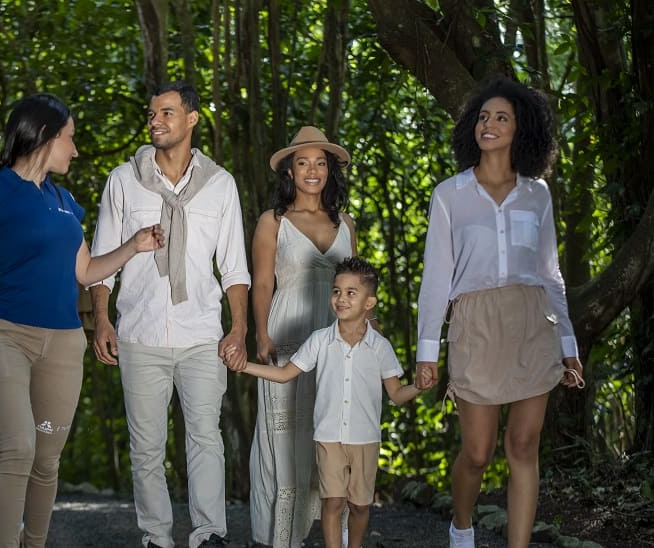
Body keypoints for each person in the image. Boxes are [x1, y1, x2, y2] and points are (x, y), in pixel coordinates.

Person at [0, 93, 164, 548]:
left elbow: (85, 272)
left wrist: (134, 245)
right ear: (46, 137)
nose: (75, 149)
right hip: (2, 336)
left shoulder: (66, 201)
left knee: (47, 458)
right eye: (69, 138)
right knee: (19, 448)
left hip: (64, 345)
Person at [414, 78, 586, 548]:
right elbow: (436, 279)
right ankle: (462, 527)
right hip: (476, 326)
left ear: (521, 129)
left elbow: (551, 275)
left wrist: (568, 346)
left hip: (534, 324)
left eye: (501, 117)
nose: (489, 125)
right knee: (476, 452)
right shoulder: (450, 195)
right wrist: (426, 351)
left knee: (524, 446)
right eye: (483, 117)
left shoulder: (538, 195)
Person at [88, 81, 250, 548]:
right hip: (139, 331)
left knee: (205, 437)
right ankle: (155, 537)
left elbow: (234, 266)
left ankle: (208, 534)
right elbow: (102, 259)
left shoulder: (220, 185)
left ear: (192, 119)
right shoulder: (123, 180)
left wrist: (238, 329)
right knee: (146, 448)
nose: (155, 121)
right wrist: (102, 319)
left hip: (201, 332)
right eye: (151, 113)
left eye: (166, 113)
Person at [224, 257, 421, 548]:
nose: (340, 298)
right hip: (328, 437)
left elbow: (395, 394)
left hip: (365, 439)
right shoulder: (319, 340)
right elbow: (283, 374)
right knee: (333, 501)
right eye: (336, 291)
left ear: (369, 303)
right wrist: (244, 367)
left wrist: (418, 386)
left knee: (360, 505)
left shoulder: (380, 347)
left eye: (351, 293)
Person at [248, 126, 357, 547]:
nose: (312, 170)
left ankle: (336, 537)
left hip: (337, 344)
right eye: (303, 162)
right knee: (286, 443)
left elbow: (360, 289)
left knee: (334, 439)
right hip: (287, 334)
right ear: (290, 172)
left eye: (320, 162)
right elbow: (261, 284)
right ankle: (282, 539)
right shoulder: (272, 222)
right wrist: (261, 335)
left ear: (330, 170)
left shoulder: (346, 223)